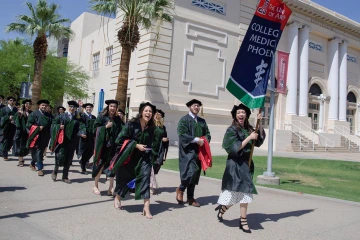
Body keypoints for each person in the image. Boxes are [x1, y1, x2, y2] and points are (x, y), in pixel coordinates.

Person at [215, 104, 265, 233]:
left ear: (247, 115)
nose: (241, 114)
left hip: (246, 164)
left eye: (243, 112)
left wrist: (260, 123)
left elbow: (258, 142)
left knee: (245, 192)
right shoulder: (231, 130)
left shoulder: (248, 128)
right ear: (235, 116)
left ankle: (242, 219)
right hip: (235, 165)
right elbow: (233, 147)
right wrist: (249, 137)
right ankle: (224, 210)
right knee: (235, 194)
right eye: (238, 113)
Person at [112, 102, 156, 219]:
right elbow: (119, 139)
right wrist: (136, 145)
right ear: (141, 112)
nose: (148, 113)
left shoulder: (151, 127)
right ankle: (118, 196)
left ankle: (146, 207)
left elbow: (152, 143)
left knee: (145, 179)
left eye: (150, 111)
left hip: (144, 157)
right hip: (129, 156)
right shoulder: (131, 124)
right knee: (125, 178)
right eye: (146, 111)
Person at [175, 99, 211, 207]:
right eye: (195, 105)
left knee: (195, 174)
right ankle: (181, 189)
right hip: (187, 151)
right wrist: (196, 140)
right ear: (190, 107)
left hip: (199, 151)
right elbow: (182, 134)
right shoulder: (184, 120)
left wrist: (204, 140)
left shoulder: (202, 121)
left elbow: (208, 134)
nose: (197, 107)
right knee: (189, 171)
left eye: (198, 106)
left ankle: (190, 198)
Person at [92, 100, 124, 195]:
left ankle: (111, 188)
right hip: (102, 146)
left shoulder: (118, 119)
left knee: (113, 167)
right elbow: (94, 129)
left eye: (114, 106)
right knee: (100, 166)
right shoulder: (102, 117)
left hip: (113, 147)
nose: (113, 108)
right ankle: (95, 186)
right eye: (111, 106)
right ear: (108, 107)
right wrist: (105, 127)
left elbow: (123, 130)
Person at [50, 100, 84, 183]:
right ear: (68, 107)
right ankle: (55, 171)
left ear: (76, 108)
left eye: (74, 107)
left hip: (72, 142)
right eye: (71, 107)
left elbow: (82, 127)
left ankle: (65, 176)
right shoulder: (62, 116)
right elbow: (53, 124)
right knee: (59, 157)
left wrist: (82, 133)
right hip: (62, 141)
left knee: (69, 159)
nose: (72, 108)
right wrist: (58, 126)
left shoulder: (78, 118)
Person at [26, 99, 53, 176]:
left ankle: (32, 163)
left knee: (39, 152)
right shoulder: (34, 114)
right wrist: (37, 128)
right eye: (42, 105)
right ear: (39, 106)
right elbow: (28, 124)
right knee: (38, 152)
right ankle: (40, 168)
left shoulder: (49, 115)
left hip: (45, 136)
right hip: (36, 136)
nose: (44, 106)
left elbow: (53, 125)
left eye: (45, 105)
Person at [150, 109, 169, 195]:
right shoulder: (150, 125)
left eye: (160, 115)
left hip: (159, 150)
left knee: (156, 166)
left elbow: (164, 137)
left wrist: (164, 140)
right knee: (150, 168)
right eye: (156, 114)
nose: (158, 116)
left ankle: (149, 183)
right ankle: (152, 186)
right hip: (150, 149)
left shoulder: (163, 127)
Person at [77, 103, 96, 174]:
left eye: (90, 107)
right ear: (85, 108)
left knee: (91, 151)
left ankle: (82, 161)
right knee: (84, 152)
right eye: (87, 107)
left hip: (91, 137)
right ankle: (83, 168)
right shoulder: (82, 116)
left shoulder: (93, 117)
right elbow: (79, 125)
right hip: (84, 137)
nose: (89, 109)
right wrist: (81, 133)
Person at [13, 99, 32, 167]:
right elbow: (15, 121)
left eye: (29, 104)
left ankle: (23, 158)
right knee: (20, 146)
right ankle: (20, 160)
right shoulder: (19, 112)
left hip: (28, 132)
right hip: (21, 132)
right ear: (24, 104)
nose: (28, 105)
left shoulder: (31, 113)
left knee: (26, 146)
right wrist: (19, 114)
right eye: (27, 104)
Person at [0, 96, 18, 161]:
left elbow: (17, 118)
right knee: (4, 140)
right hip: (5, 127)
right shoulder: (3, 109)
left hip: (13, 127)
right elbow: (1, 118)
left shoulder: (15, 110)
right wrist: (8, 118)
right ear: (8, 101)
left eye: (13, 100)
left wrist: (15, 121)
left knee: (10, 141)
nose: (12, 102)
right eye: (10, 100)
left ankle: (6, 151)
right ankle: (5, 155)